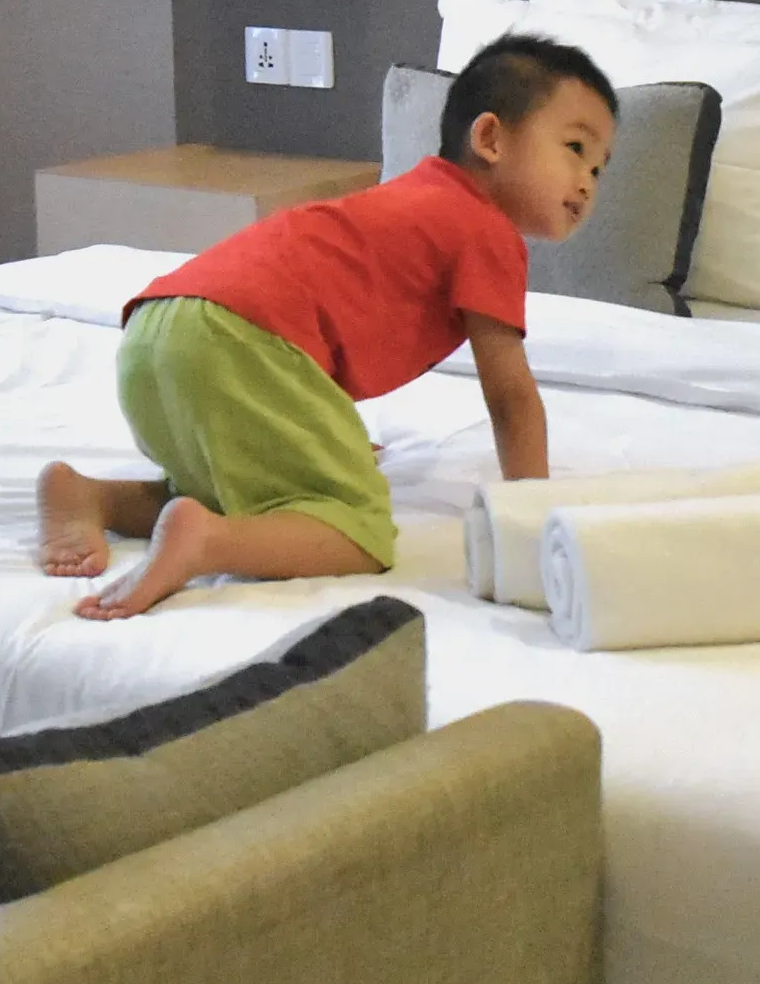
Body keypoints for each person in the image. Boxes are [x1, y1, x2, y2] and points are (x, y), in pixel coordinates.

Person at [38, 36, 614, 620]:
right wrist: (531, 515)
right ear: (490, 138)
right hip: (239, 340)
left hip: (155, 330)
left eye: (599, 167)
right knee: (357, 531)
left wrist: (326, 430)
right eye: (575, 148)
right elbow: (512, 397)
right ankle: (206, 542)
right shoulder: (487, 233)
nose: (588, 181)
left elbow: (332, 312)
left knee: (243, 488)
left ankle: (95, 498)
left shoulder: (411, 197)